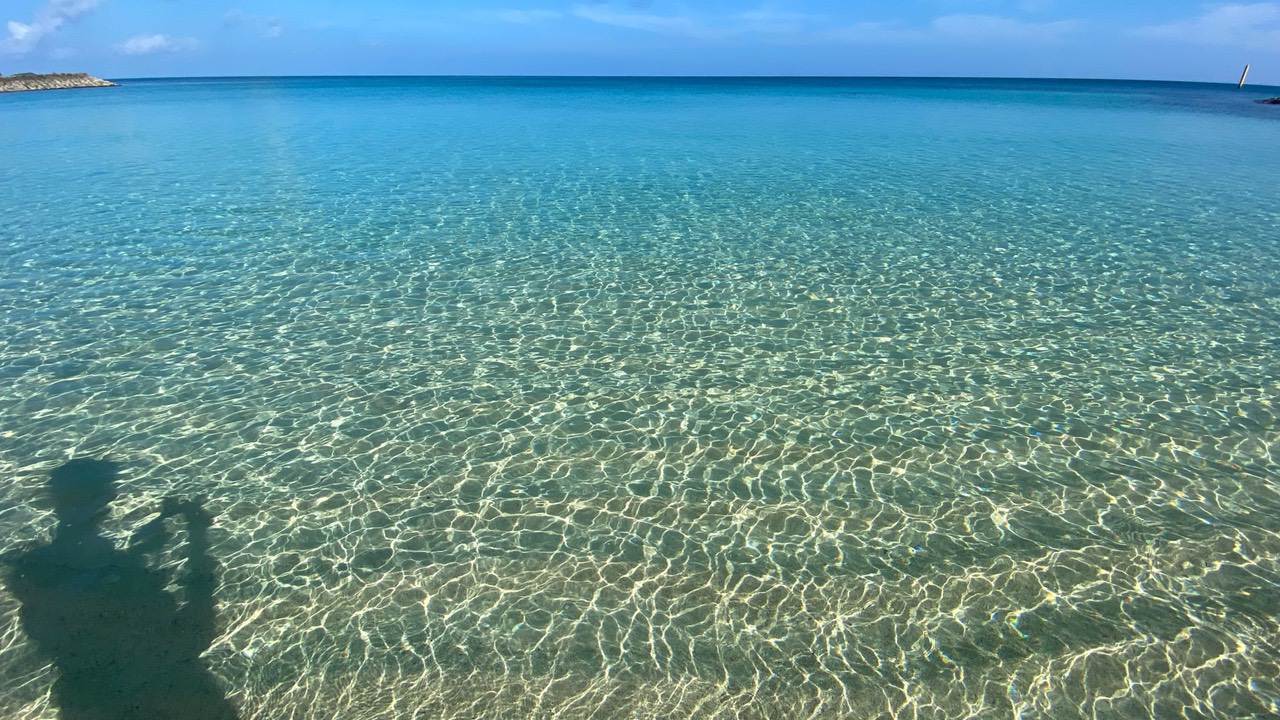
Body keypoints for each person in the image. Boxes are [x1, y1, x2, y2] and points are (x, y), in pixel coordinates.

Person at [5, 459, 239, 720]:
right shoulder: (128, 591)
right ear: (105, 501)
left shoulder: (35, 586)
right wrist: (197, 535)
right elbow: (197, 630)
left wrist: (131, 558)